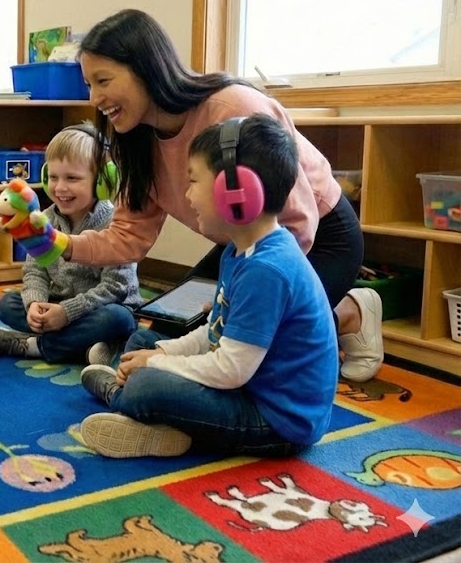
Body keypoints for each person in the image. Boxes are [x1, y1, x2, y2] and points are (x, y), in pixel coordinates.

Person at [62, 8, 382, 382]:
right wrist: (56, 242)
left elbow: (297, 220)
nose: (95, 97)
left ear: (146, 69)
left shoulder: (233, 110)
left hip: (314, 236)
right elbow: (127, 238)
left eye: (103, 80)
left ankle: (351, 312)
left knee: (252, 341)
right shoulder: (134, 141)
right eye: (88, 85)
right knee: (178, 321)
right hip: (240, 244)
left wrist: (238, 302)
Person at [80, 114, 339, 459]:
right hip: (247, 386)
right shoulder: (240, 251)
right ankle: (154, 414)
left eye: (193, 181)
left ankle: (124, 397)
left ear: (235, 192)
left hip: (277, 421)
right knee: (145, 342)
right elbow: (214, 333)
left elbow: (230, 369)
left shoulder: (266, 270)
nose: (187, 195)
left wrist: (155, 366)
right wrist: (162, 354)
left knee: (147, 383)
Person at [0, 123, 142, 363]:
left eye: (72, 178)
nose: (60, 187)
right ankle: (85, 347)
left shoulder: (115, 224)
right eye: (54, 177)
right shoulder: (43, 219)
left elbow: (115, 289)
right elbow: (34, 270)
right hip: (58, 305)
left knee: (118, 319)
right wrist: (36, 303)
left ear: (102, 182)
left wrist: (67, 313)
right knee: (7, 304)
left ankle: (35, 346)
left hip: (101, 307)